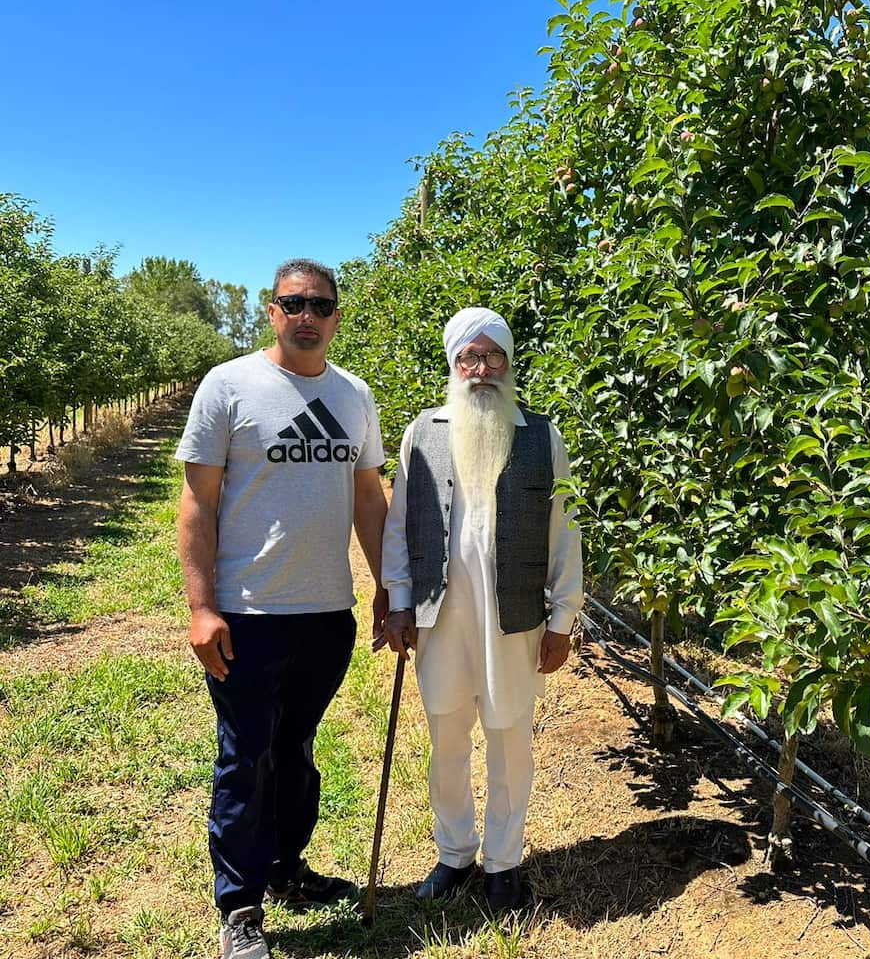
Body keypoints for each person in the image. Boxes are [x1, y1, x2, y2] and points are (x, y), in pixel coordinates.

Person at [176, 259, 389, 959]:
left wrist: (391, 586)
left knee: (295, 751)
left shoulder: (355, 396)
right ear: (271, 311)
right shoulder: (229, 386)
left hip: (327, 613)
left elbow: (367, 499)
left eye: (320, 305)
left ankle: (287, 870)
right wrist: (202, 607)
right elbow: (197, 503)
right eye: (292, 303)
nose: (307, 315)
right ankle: (239, 908)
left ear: (336, 316)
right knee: (246, 757)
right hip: (247, 615)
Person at [377, 306, 583, 912]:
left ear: (510, 363)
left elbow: (563, 531)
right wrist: (398, 601)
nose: (482, 369)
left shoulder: (540, 435)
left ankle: (504, 861)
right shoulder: (424, 431)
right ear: (453, 364)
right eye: (470, 357)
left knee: (510, 735)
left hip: (514, 616)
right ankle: (455, 852)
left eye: (494, 356)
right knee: (447, 735)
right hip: (441, 616)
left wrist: (564, 618)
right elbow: (400, 526)